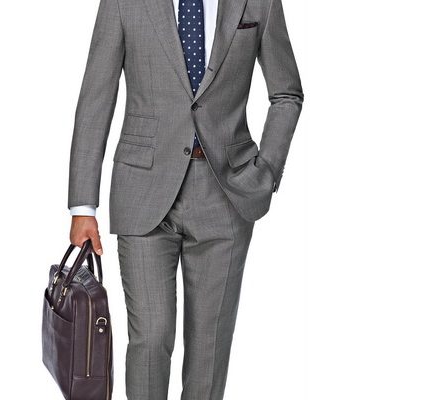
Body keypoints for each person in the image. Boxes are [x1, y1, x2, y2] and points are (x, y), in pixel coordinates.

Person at [67, 0, 303, 398]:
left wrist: (265, 172)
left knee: (209, 352)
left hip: (226, 193)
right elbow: (96, 95)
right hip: (142, 192)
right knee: (150, 337)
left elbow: (287, 93)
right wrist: (82, 206)